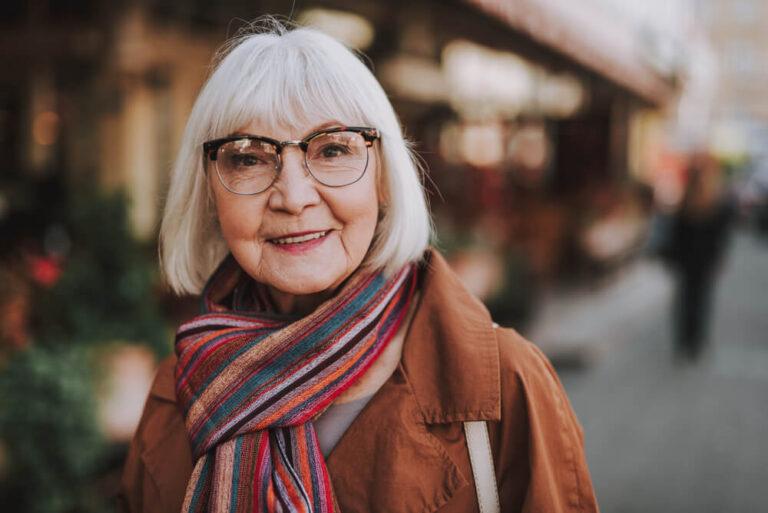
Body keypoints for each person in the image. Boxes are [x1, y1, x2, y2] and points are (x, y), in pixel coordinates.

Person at [117, 19, 598, 513]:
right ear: (209, 191)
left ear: (385, 179)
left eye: (332, 150)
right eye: (249, 159)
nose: (294, 197)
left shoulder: (505, 384)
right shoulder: (176, 392)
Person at [666, 153, 733, 361]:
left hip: (688, 260)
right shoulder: (715, 202)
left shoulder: (689, 200)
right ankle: (695, 340)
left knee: (687, 299)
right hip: (702, 260)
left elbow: (677, 233)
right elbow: (720, 237)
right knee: (701, 299)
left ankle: (686, 339)